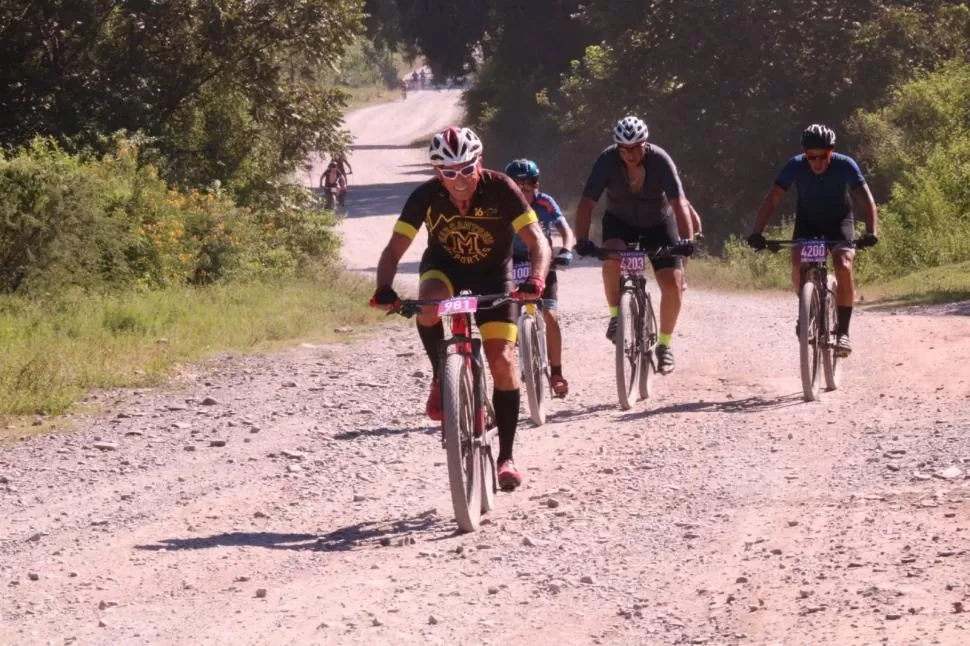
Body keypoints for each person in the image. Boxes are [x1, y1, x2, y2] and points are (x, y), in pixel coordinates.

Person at [371, 127, 551, 491]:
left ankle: (506, 457)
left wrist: (535, 280)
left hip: (493, 276)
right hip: (444, 268)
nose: (460, 180)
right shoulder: (425, 196)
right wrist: (384, 288)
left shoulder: (502, 188)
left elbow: (538, 243)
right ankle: (442, 375)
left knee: (502, 360)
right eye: (449, 172)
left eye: (466, 169)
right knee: (430, 306)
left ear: (479, 163)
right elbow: (394, 250)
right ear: (438, 173)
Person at [573, 115, 694, 375]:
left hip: (659, 224)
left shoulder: (660, 160)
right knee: (610, 259)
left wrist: (687, 240)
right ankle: (616, 315)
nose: (630, 154)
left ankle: (664, 345)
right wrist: (581, 240)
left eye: (636, 147)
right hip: (620, 222)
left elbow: (679, 203)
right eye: (624, 149)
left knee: (672, 283)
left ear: (645, 143)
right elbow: (586, 203)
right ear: (617, 147)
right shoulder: (606, 160)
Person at [746, 123, 879, 357]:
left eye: (822, 157)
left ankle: (843, 333)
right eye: (811, 158)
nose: (817, 163)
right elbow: (772, 199)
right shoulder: (795, 165)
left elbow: (866, 200)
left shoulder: (846, 165)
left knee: (843, 265)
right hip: (809, 224)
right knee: (798, 264)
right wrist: (757, 232)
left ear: (831, 151)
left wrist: (871, 231)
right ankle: (807, 309)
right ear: (804, 154)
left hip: (840, 223)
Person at [504, 158, 576, 397]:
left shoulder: (545, 202)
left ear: (537, 184)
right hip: (512, 262)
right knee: (506, 318)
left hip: (541, 263)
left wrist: (566, 249)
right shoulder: (500, 205)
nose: (524, 189)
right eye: (517, 184)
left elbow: (565, 230)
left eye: (528, 183)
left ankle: (556, 373)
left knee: (551, 316)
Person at [682, 202, 703, 292]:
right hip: (675, 236)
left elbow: (696, 217)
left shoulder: (685, 204)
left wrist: (699, 231)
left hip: (684, 237)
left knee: (684, 256)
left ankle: (681, 278)